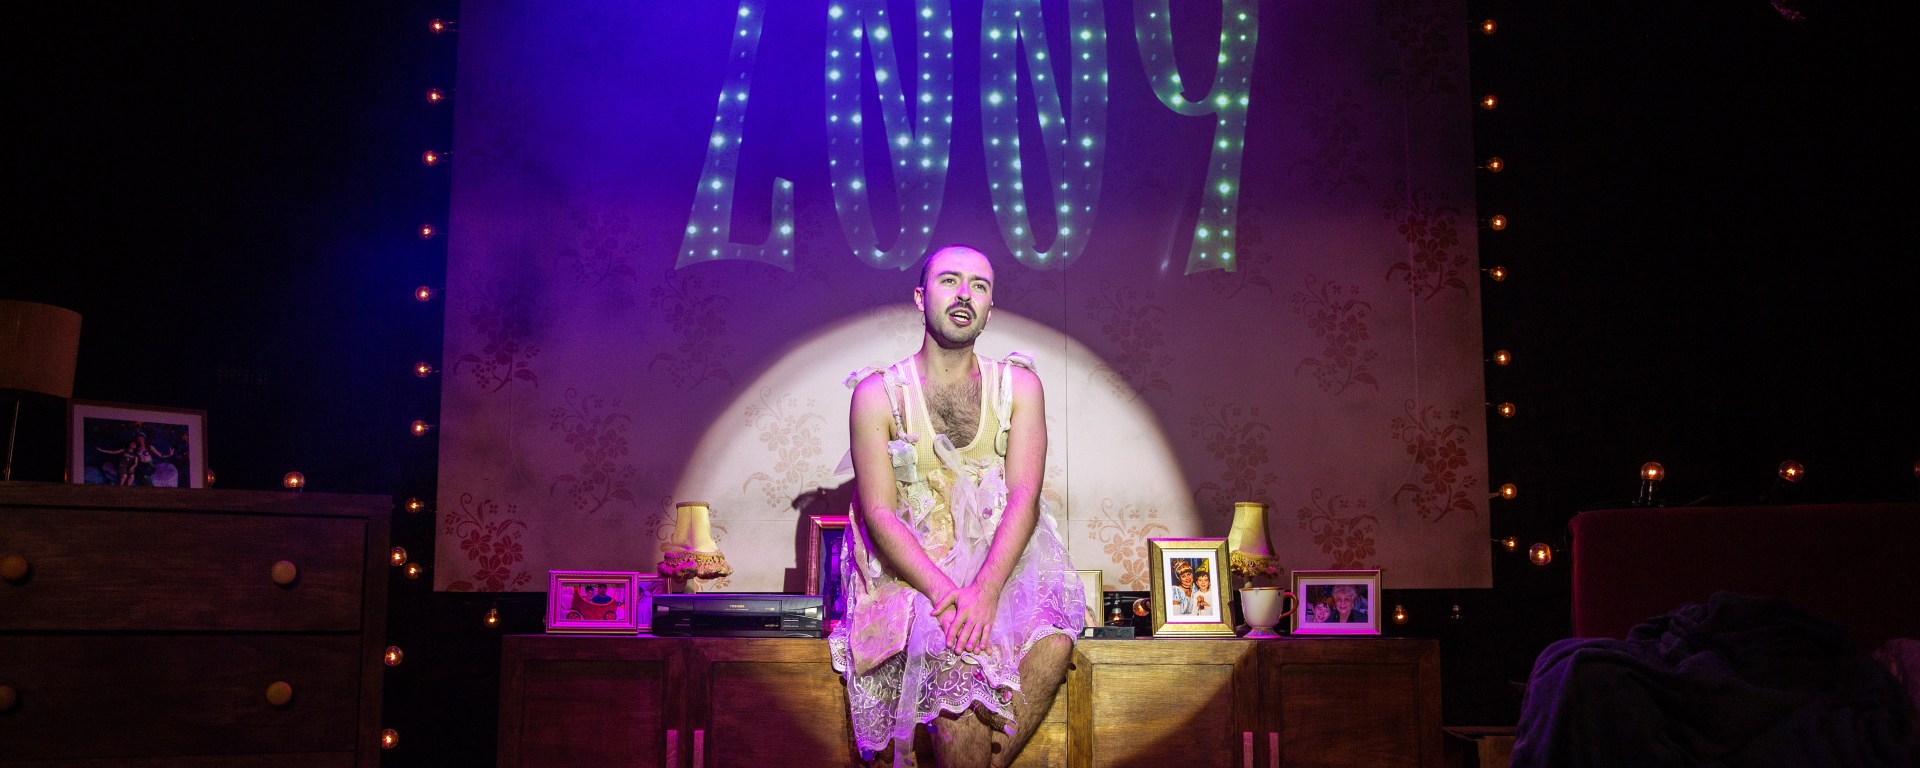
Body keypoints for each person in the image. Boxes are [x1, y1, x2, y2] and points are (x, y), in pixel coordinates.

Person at [832, 245, 1084, 768]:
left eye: (979, 285)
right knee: (955, 655)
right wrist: (947, 596)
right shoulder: (879, 394)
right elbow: (879, 512)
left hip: (998, 561)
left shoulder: (1019, 386)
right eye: (950, 281)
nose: (965, 294)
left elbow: (1024, 494)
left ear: (990, 309)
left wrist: (985, 591)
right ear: (920, 297)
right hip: (913, 570)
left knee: (1055, 642)